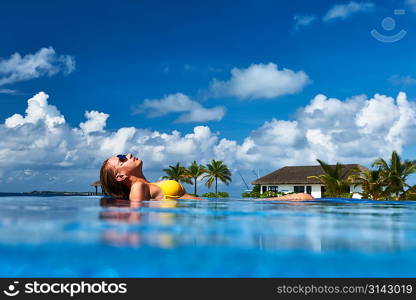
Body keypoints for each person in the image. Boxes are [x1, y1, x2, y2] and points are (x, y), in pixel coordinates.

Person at [100, 153, 201, 201]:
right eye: (122, 159)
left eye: (123, 155)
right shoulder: (138, 186)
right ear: (121, 176)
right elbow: (136, 217)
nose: (129, 155)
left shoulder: (148, 185)